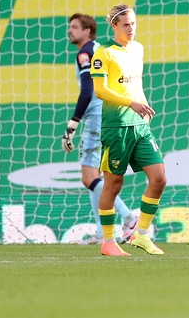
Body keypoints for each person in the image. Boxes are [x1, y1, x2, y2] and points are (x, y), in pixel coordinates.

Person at [90, 4, 167, 256]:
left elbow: (136, 84)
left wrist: (142, 105)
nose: (131, 28)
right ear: (114, 26)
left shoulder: (138, 49)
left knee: (159, 178)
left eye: (133, 23)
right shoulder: (103, 53)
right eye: (125, 24)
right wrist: (130, 103)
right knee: (113, 185)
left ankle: (141, 235)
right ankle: (109, 243)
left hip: (140, 125)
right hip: (117, 126)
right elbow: (100, 90)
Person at [61, 13, 138, 245]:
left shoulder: (85, 53)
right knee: (98, 177)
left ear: (87, 31)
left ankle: (129, 217)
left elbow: (87, 92)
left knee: (88, 177)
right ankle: (102, 232)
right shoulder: (104, 49)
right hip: (113, 114)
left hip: (96, 117)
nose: (69, 31)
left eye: (74, 27)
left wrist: (72, 125)